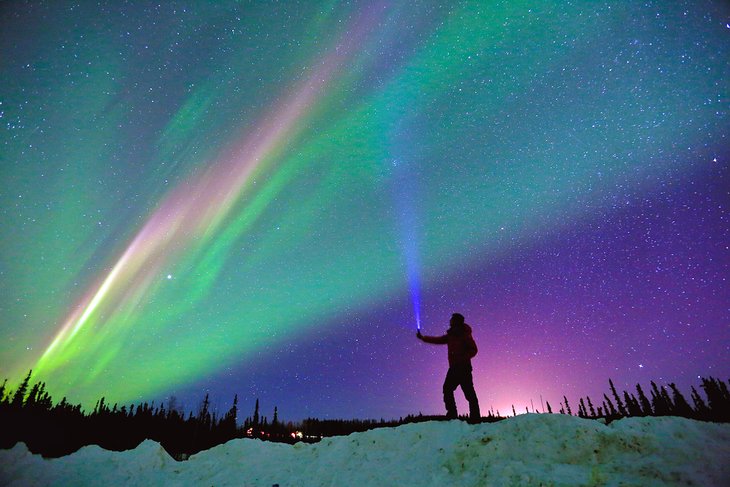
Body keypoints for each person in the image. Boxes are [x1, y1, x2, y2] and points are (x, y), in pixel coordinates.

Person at [417, 313, 481, 422]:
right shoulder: (450, 335)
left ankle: (475, 418)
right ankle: (452, 414)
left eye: (451, 319)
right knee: (447, 389)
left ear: (456, 321)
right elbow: (438, 340)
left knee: (469, 393)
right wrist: (423, 338)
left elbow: (474, 349)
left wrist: (463, 358)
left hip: (464, 367)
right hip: (454, 368)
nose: (449, 321)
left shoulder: (464, 334)